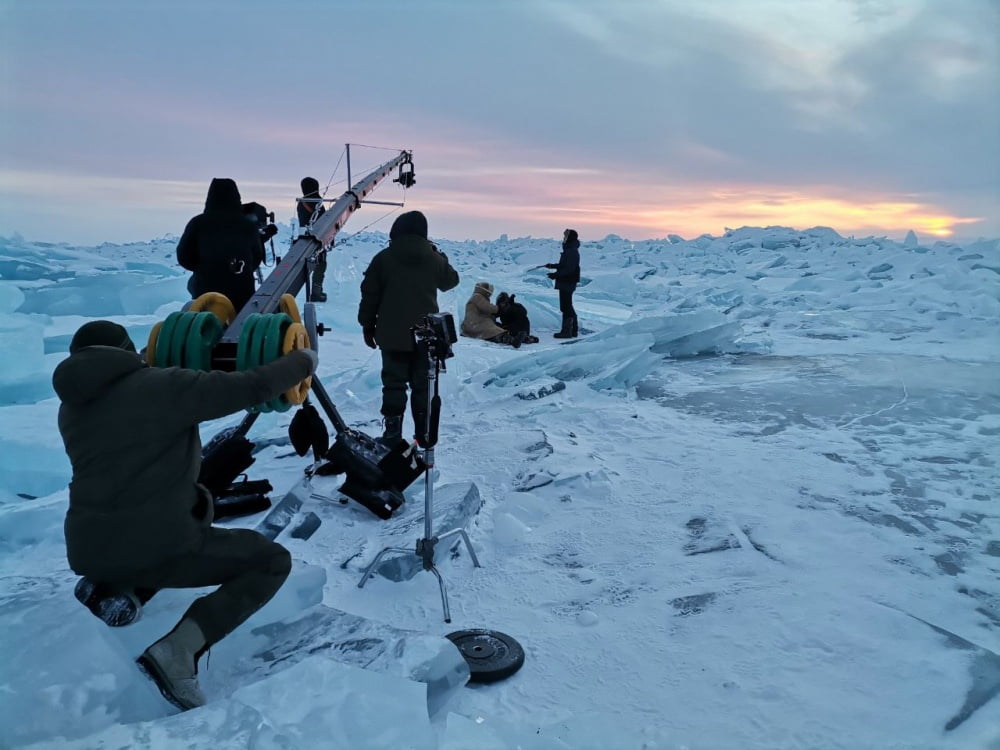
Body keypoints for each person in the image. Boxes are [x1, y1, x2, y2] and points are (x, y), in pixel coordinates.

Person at [53, 320, 317, 711]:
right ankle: (177, 653)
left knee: (163, 512)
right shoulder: (159, 388)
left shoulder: (72, 409)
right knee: (270, 561)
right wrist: (302, 361)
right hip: (160, 545)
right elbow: (251, 387)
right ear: (128, 352)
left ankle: (111, 585)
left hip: (87, 548)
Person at [358, 210, 459, 442]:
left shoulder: (383, 258)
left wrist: (367, 325)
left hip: (391, 334)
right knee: (423, 386)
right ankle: (423, 433)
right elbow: (450, 281)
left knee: (393, 384)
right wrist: (440, 256)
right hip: (426, 336)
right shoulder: (432, 258)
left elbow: (369, 294)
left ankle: (392, 433)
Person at [177, 178, 265, 314]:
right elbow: (256, 257)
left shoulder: (198, 223)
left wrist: (205, 267)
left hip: (205, 292)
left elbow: (184, 257)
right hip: (242, 292)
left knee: (205, 328)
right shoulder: (248, 225)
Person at [460, 282, 523, 347]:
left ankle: (511, 338)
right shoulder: (477, 297)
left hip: (473, 324)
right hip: (476, 324)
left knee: (493, 330)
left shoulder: (476, 297)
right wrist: (499, 308)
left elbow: (486, 310)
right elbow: (487, 307)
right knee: (493, 331)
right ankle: (512, 341)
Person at [545, 228, 581, 338]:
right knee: (567, 306)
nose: (564, 238)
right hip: (567, 281)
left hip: (567, 282)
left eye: (565, 236)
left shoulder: (571, 251)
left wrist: (555, 275)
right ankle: (573, 330)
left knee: (566, 307)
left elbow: (569, 269)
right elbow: (565, 265)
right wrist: (552, 266)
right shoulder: (570, 250)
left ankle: (567, 332)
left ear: (570, 238)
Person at [297, 176, 328, 302]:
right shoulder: (318, 202)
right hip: (318, 237)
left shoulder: (301, 203)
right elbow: (325, 220)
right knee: (321, 264)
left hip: (303, 237)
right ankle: (316, 291)